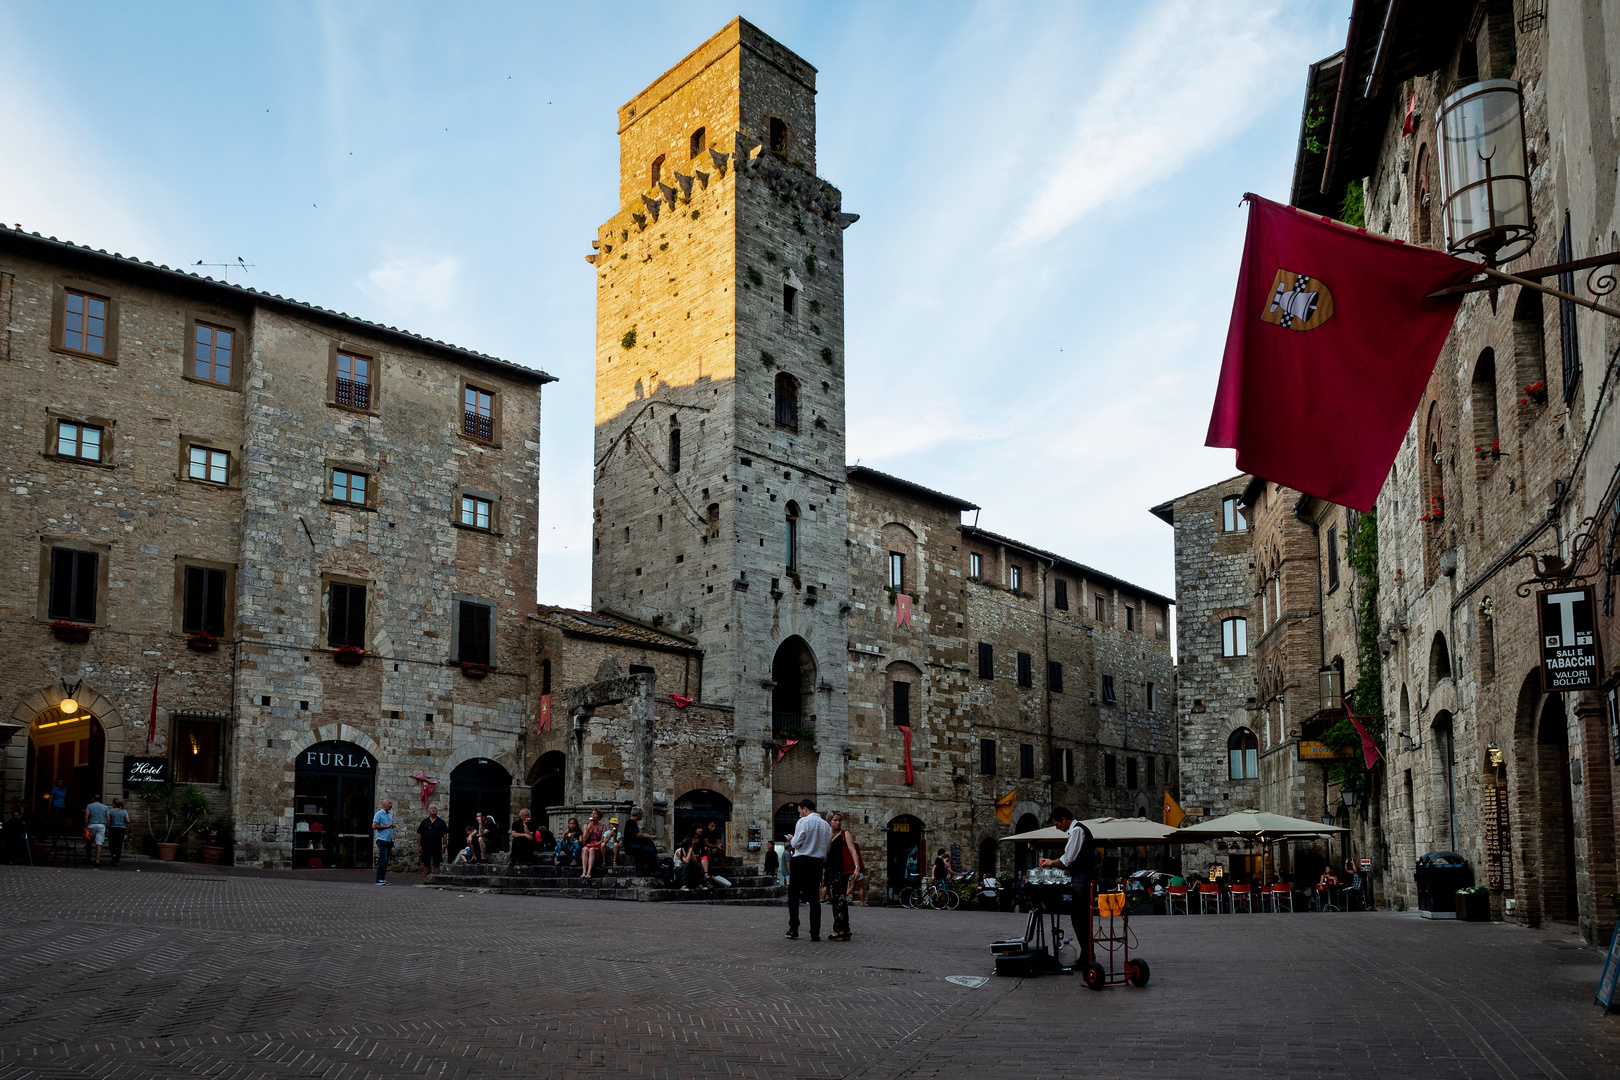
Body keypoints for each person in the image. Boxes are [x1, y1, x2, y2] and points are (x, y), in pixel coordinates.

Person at [1038, 806, 1096, 967]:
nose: (1057, 828)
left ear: (1064, 819)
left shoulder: (1077, 831)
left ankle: (1088, 956)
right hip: (1080, 877)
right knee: (1078, 917)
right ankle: (1087, 954)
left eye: (1057, 824)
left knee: (1080, 917)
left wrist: (1050, 862)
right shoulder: (1075, 831)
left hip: (1082, 877)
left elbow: (1067, 859)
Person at [786, 798, 832, 941]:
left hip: (801, 860)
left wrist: (790, 839)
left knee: (793, 895)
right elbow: (827, 847)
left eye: (800, 811)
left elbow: (797, 843)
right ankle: (815, 932)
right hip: (817, 863)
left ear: (805, 809)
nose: (799, 815)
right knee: (814, 898)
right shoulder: (826, 826)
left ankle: (794, 928)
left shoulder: (803, 822)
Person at [825, 812, 863, 942]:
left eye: (839, 820)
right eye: (835, 820)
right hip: (832, 871)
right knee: (838, 900)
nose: (837, 822)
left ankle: (838, 930)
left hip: (842, 871)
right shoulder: (829, 836)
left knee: (839, 900)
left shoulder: (845, 834)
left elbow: (853, 851)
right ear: (830, 821)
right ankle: (845, 929)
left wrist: (857, 868)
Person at [417, 804, 449, 878]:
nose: (433, 809)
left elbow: (444, 835)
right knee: (426, 863)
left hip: (437, 846)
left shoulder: (441, 822)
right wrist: (419, 846)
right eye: (431, 808)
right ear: (429, 811)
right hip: (426, 845)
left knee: (436, 863)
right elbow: (419, 834)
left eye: (435, 808)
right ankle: (426, 879)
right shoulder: (424, 822)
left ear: (437, 811)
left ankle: (436, 879)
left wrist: (444, 845)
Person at [623, 806, 657, 871]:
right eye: (641, 814)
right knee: (650, 851)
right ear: (638, 814)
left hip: (632, 845)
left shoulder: (632, 822)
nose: (642, 816)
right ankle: (652, 869)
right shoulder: (631, 822)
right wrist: (646, 835)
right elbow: (638, 835)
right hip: (630, 846)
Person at [372, 797, 396, 885]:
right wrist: (386, 826)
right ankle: (378, 879)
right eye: (389, 803)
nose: (391, 805)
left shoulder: (389, 814)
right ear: (384, 804)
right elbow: (374, 826)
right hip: (382, 840)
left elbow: (390, 825)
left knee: (386, 860)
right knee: (383, 859)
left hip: (389, 840)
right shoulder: (378, 814)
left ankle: (382, 878)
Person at [84, 794, 109, 866]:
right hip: (101, 825)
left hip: (91, 825)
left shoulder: (89, 806)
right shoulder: (105, 807)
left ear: (93, 799)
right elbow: (108, 818)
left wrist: (85, 826)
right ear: (100, 800)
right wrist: (107, 827)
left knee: (89, 842)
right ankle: (97, 860)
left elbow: (86, 816)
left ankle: (88, 858)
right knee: (99, 843)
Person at [581, 809, 606, 878]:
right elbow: (584, 839)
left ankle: (589, 872)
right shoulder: (586, 825)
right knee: (585, 849)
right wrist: (588, 829)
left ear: (598, 816)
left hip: (597, 844)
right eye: (592, 814)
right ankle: (584, 872)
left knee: (592, 849)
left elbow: (602, 840)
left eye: (594, 814)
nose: (592, 815)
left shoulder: (602, 826)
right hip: (588, 844)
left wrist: (593, 845)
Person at [106, 799, 129, 866]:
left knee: (112, 844)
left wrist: (107, 828)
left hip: (113, 828)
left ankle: (113, 856)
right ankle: (117, 860)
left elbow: (108, 820)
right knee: (119, 844)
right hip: (121, 829)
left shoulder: (110, 811)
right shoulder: (124, 811)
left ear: (114, 804)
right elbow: (128, 820)